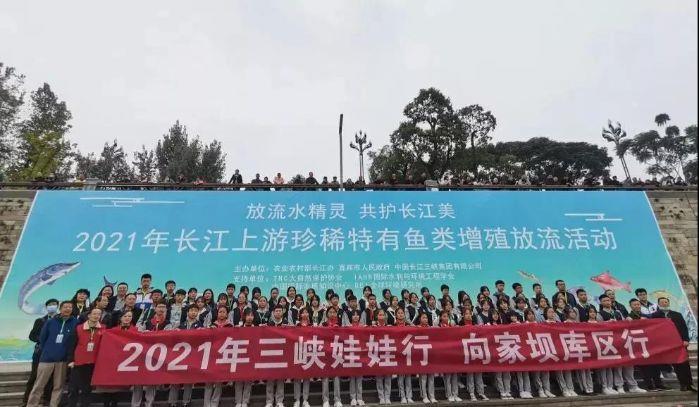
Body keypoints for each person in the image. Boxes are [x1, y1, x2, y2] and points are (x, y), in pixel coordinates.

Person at [27, 301, 78, 407]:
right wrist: (47, 351)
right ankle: (31, 404)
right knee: (39, 385)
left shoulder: (75, 322)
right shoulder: (51, 322)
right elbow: (42, 338)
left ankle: (54, 405)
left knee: (58, 386)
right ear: (60, 309)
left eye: (70, 307)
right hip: (47, 359)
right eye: (65, 307)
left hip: (63, 360)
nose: (68, 309)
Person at [652, 297, 697, 392]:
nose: (664, 303)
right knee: (675, 364)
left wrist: (685, 339)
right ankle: (680, 384)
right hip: (666, 344)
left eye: (666, 302)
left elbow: (684, 328)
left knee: (684, 364)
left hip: (679, 343)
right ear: (658, 304)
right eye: (662, 302)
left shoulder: (677, 314)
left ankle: (688, 384)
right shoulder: (655, 315)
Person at [133, 302, 172, 407]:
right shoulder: (147, 321)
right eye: (159, 307)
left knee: (152, 380)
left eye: (163, 307)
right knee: (138, 380)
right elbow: (138, 333)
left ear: (166, 310)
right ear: (155, 308)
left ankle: (149, 403)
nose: (161, 309)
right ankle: (135, 404)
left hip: (158, 355)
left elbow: (167, 337)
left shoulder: (168, 323)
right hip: (144, 353)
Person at [23, 298, 59, 407]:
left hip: (54, 354)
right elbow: (32, 336)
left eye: (54, 304)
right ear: (46, 307)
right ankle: (26, 401)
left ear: (57, 307)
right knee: (34, 377)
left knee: (50, 379)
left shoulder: (60, 321)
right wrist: (43, 339)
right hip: (40, 353)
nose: (52, 306)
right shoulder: (40, 321)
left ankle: (47, 401)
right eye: (50, 304)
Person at [66, 307, 105, 407]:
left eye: (99, 314)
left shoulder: (103, 328)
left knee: (87, 389)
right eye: (94, 314)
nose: (97, 316)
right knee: (73, 389)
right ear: (89, 315)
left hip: (93, 363)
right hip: (78, 362)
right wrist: (71, 360)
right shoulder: (79, 328)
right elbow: (72, 345)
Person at [168, 305, 203, 407]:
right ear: (187, 312)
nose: (193, 312)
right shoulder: (181, 325)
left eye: (195, 311)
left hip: (192, 355)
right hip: (179, 356)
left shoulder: (200, 325)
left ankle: (186, 402)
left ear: (197, 313)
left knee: (189, 380)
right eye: (191, 310)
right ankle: (172, 402)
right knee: (175, 380)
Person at [438, 310, 462, 401]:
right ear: (440, 317)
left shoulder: (451, 326)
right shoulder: (438, 327)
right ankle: (449, 394)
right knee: (447, 377)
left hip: (453, 353)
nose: (446, 318)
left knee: (454, 375)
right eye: (444, 316)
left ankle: (455, 394)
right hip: (444, 353)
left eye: (447, 316)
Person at [321, 307, 343, 407]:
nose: (332, 314)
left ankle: (337, 399)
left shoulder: (340, 325)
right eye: (330, 312)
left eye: (334, 312)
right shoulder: (323, 325)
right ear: (327, 314)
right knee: (325, 377)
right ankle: (325, 400)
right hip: (325, 353)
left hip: (336, 353)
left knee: (336, 376)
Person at [266, 306, 287, 407]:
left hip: (282, 354)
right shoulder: (269, 324)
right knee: (270, 378)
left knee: (280, 378)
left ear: (282, 312)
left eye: (280, 311)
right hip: (270, 353)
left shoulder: (286, 324)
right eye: (276, 311)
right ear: (273, 313)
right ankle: (269, 401)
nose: (278, 312)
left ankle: (279, 401)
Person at [293, 308, 313, 407]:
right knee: (297, 376)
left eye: (306, 312)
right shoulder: (296, 326)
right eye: (303, 313)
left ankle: (305, 399)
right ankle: (297, 399)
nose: (305, 314)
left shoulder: (311, 326)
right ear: (300, 315)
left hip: (308, 352)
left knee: (306, 377)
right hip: (298, 352)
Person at [416, 313, 436, 403]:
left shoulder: (431, 328)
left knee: (431, 377)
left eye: (426, 317)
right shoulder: (417, 328)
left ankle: (432, 396)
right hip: (421, 355)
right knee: (423, 378)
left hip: (430, 354)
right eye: (423, 317)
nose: (425, 319)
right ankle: (424, 396)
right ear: (419, 319)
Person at [346, 310, 365, 406]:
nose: (356, 316)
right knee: (352, 377)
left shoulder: (363, 327)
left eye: (357, 315)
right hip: (351, 353)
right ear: (351, 317)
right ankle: (353, 397)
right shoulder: (348, 327)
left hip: (360, 353)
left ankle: (360, 397)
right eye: (354, 315)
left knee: (359, 377)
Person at [373, 309, 392, 404]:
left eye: (383, 314)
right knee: (379, 377)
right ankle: (381, 397)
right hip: (377, 353)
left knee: (388, 376)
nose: (381, 316)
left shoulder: (390, 327)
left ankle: (387, 397)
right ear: (376, 316)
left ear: (385, 316)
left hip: (387, 353)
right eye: (379, 315)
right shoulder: (373, 327)